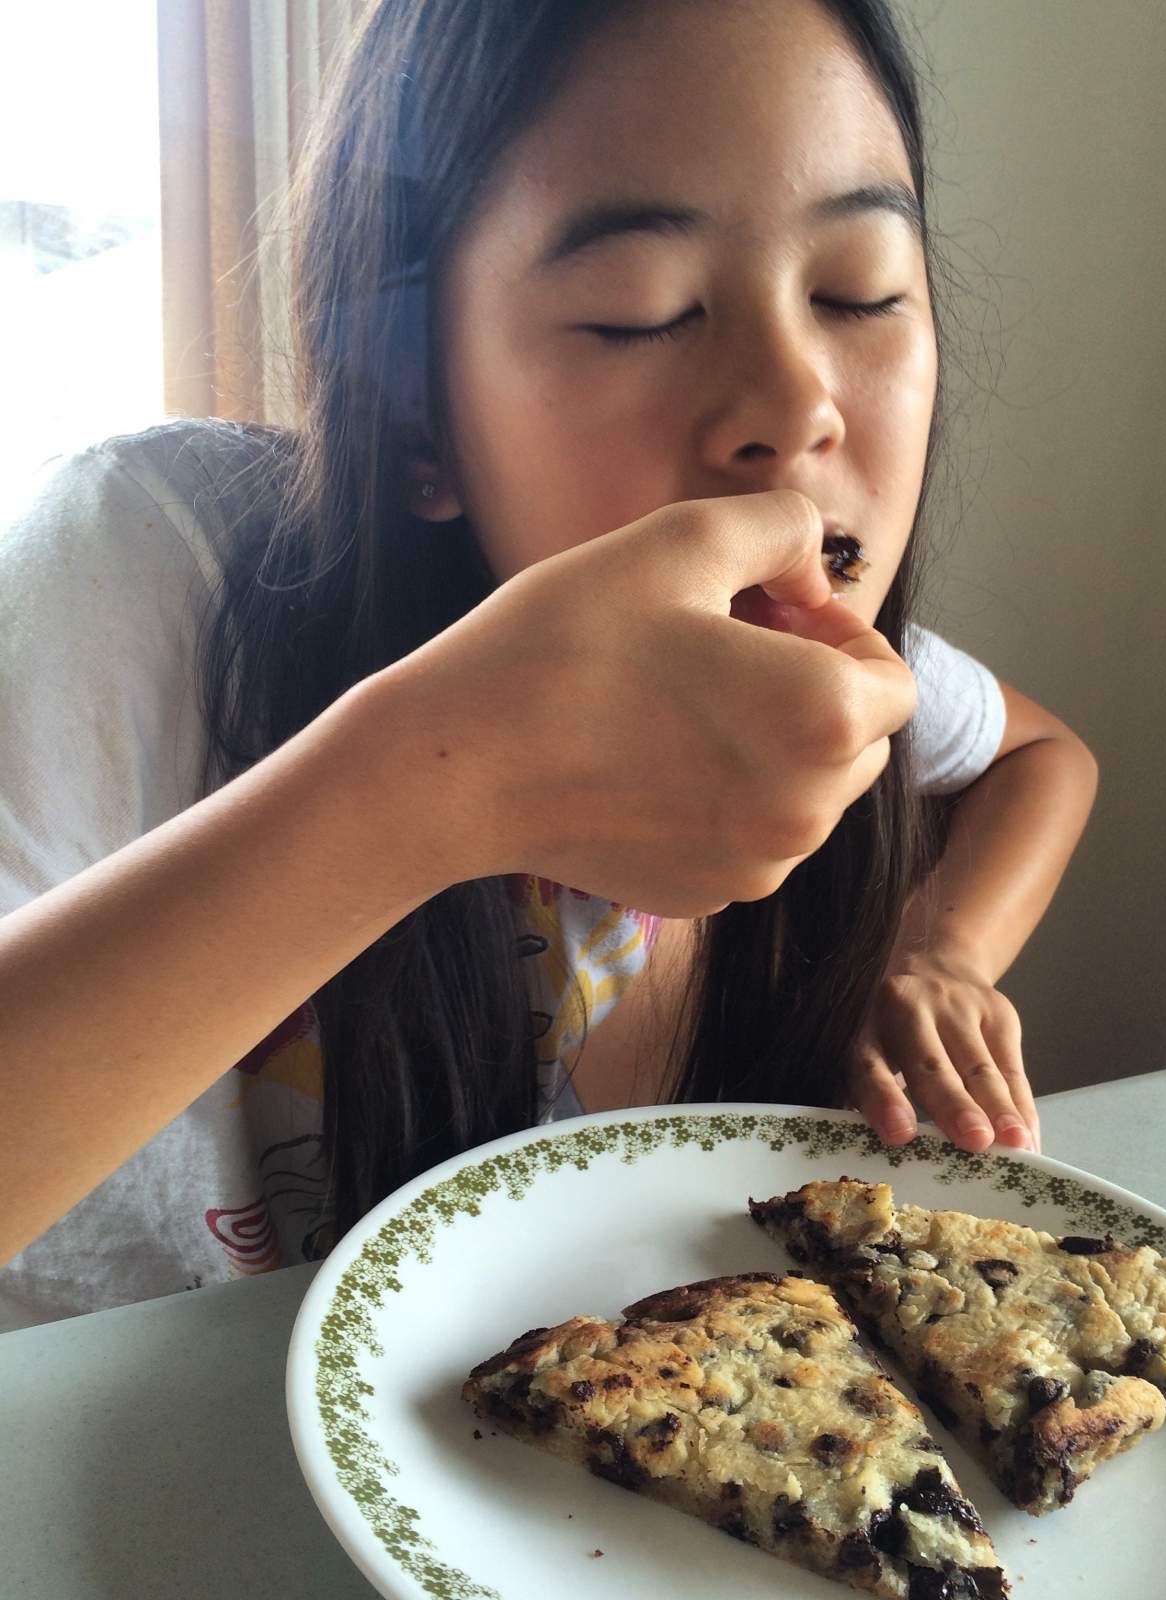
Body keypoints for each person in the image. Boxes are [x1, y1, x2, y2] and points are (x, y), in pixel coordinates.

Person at [0, 0, 1097, 1326]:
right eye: (644, 311)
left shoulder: (829, 679)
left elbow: (1042, 757)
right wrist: (429, 784)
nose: (798, 402)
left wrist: (943, 951)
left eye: (858, 290)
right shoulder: (151, 565)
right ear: (417, 408)